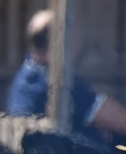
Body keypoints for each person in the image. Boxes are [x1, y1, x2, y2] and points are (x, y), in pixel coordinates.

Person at [8, 9, 126, 145]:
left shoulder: (29, 73)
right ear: (59, 42)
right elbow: (119, 120)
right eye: (73, 39)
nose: (78, 45)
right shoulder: (54, 84)